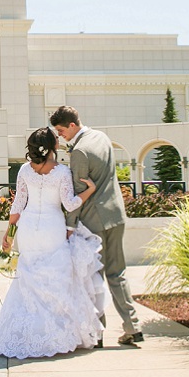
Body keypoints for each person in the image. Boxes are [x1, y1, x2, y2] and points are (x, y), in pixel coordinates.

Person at [0, 127, 105, 359]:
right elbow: (70, 204)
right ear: (53, 147)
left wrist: (8, 234)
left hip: (28, 228)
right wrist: (90, 190)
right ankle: (53, 334)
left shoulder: (25, 170)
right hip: (52, 228)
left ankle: (23, 332)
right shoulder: (62, 172)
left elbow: (18, 203)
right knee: (54, 278)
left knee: (28, 278)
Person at [51, 105, 143, 345]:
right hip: (116, 215)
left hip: (95, 220)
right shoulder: (101, 137)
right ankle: (132, 325)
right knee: (118, 273)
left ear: (72, 125)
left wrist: (70, 226)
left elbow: (78, 193)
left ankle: (97, 333)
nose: (60, 135)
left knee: (94, 278)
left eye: (61, 130)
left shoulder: (80, 151)